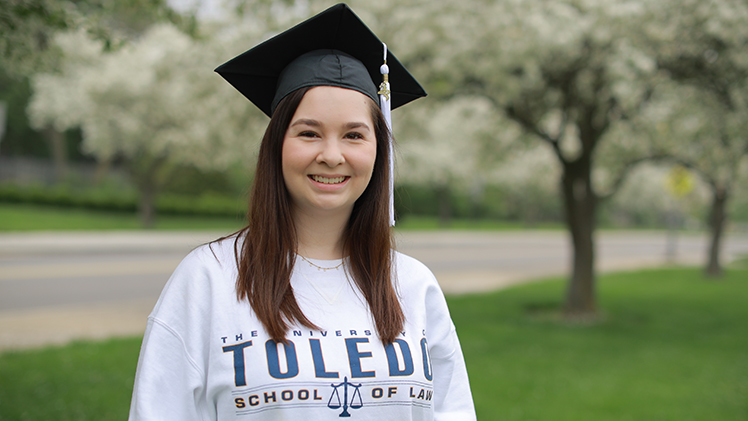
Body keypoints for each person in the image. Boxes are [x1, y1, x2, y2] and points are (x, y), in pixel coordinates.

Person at [128, 4, 476, 420]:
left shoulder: (414, 286)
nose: (331, 155)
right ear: (276, 145)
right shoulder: (208, 280)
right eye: (309, 133)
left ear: (378, 151)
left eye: (354, 135)